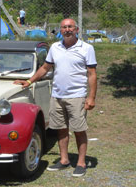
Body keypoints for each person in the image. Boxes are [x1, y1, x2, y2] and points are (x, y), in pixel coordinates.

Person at [13, 18, 97, 177]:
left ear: (77, 29)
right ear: (61, 30)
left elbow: (92, 74)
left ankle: (81, 163)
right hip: (57, 96)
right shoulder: (55, 47)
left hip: (77, 96)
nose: (67, 30)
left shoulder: (87, 48)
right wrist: (29, 81)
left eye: (70, 27)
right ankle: (64, 160)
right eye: (64, 27)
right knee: (61, 129)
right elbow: (45, 68)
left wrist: (91, 97)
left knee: (79, 130)